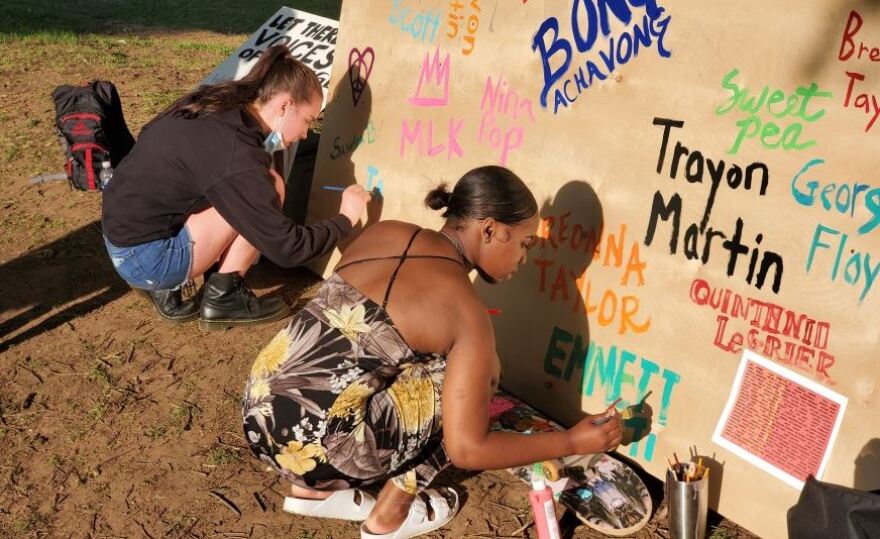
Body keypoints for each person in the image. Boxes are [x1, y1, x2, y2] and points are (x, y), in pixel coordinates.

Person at [242, 166, 623, 538]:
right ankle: (389, 516)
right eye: (524, 244)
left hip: (260, 413)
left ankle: (312, 493)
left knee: (386, 362)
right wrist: (572, 442)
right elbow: (468, 450)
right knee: (481, 376)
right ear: (489, 229)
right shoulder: (464, 310)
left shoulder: (385, 232)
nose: (524, 259)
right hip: (324, 452)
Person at [101, 45, 371, 330]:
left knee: (260, 184)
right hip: (148, 258)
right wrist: (345, 219)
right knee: (271, 186)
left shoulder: (216, 102)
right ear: (284, 105)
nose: (305, 134)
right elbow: (287, 248)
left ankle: (203, 284)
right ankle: (224, 297)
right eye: (308, 120)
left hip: (121, 232)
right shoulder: (236, 156)